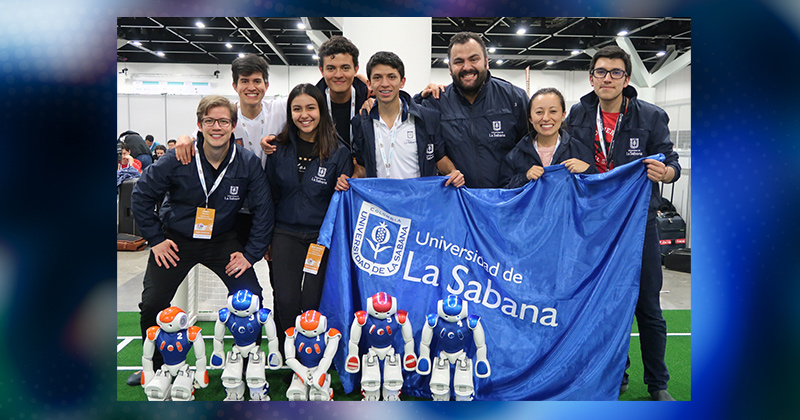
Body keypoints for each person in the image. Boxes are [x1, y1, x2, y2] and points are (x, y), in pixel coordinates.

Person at [128, 95, 275, 386]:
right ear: (199, 124)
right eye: (210, 121)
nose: (216, 127)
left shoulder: (247, 163)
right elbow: (141, 196)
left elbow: (264, 211)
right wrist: (155, 239)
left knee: (251, 297)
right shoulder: (178, 157)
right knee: (153, 302)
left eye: (223, 121)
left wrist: (249, 255)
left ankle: (247, 362)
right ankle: (155, 365)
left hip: (223, 240)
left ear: (233, 126)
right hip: (176, 242)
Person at [564, 45, 680, 401]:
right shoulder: (579, 113)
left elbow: (671, 162)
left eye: (616, 72)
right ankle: (618, 372)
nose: (608, 78)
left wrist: (668, 172)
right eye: (601, 71)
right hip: (594, 226)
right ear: (591, 77)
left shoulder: (651, 116)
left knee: (647, 305)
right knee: (602, 304)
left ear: (626, 79)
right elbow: (563, 154)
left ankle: (658, 383)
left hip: (638, 223)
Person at [265, 83, 354, 355]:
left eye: (311, 108)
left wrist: (346, 184)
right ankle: (285, 351)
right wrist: (265, 239)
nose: (304, 115)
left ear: (321, 111)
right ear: (290, 113)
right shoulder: (277, 148)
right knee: (286, 298)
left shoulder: (339, 151)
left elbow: (344, 200)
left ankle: (313, 351)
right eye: (297, 109)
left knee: (312, 298)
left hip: (320, 238)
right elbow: (269, 196)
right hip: (284, 234)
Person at [336, 51, 464, 191]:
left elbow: (440, 158)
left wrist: (452, 172)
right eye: (377, 77)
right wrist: (349, 180)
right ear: (369, 84)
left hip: (418, 203)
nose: (385, 84)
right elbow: (362, 166)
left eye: (391, 77)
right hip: (380, 206)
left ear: (402, 82)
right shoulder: (361, 121)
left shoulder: (427, 117)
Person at [415, 32, 529, 188]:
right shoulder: (436, 103)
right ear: (449, 68)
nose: (467, 67)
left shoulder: (515, 99)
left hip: (507, 199)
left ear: (486, 62)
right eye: (459, 61)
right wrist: (417, 98)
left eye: (474, 59)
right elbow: (404, 118)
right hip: (459, 201)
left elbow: (535, 148)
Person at [499, 87, 596, 188]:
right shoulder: (515, 155)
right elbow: (503, 193)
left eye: (553, 111)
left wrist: (587, 171)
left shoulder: (579, 151)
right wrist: (525, 177)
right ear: (530, 118)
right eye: (539, 112)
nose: (546, 118)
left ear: (563, 115)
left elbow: (597, 190)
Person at [311, 35, 369, 150]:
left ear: (356, 69)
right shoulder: (312, 105)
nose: (338, 75)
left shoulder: (368, 102)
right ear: (321, 70)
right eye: (331, 68)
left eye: (345, 68)